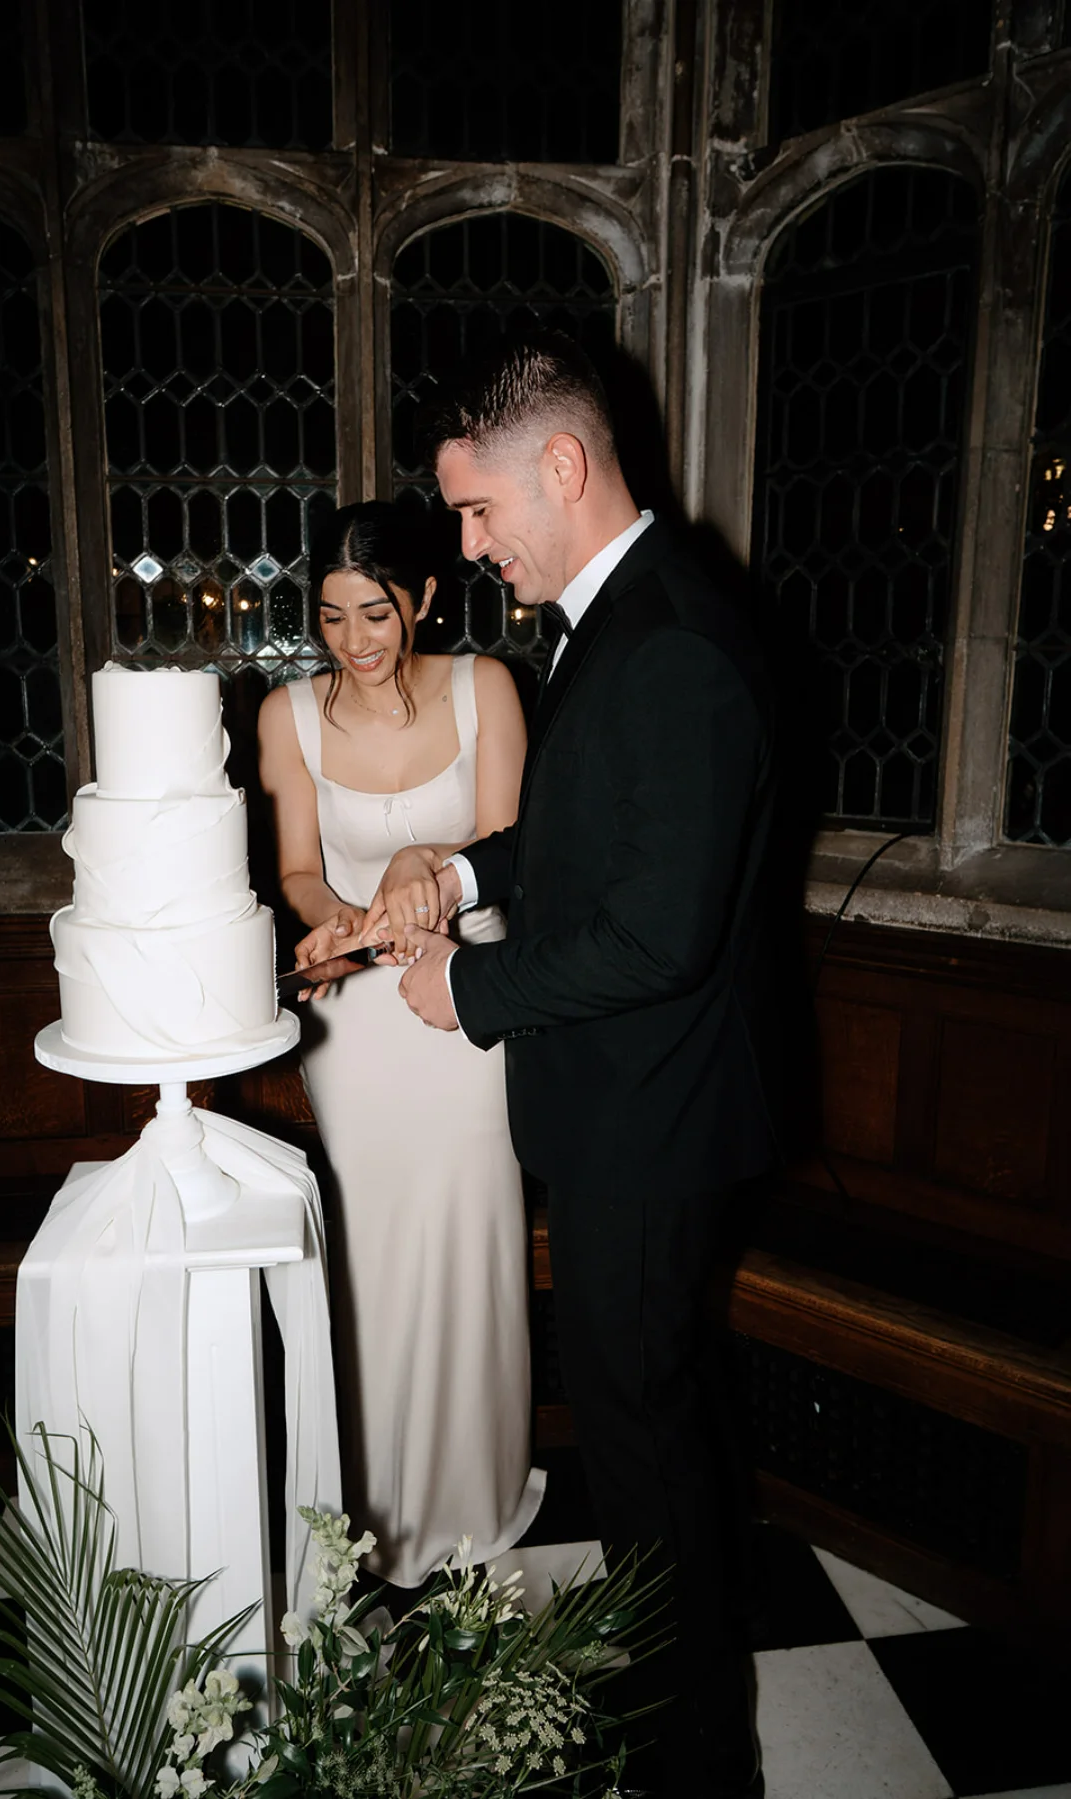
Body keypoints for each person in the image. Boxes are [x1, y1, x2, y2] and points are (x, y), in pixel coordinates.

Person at [364, 334, 778, 1798]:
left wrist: (467, 985)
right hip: (623, 1118)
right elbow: (582, 844)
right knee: (644, 1434)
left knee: (651, 1459)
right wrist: (464, 873)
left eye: (478, 513)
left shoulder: (667, 634)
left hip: (651, 1130)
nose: (469, 547)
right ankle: (680, 1725)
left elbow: (658, 933)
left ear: (564, 463)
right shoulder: (614, 621)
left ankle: (696, 1766)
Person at [257, 500, 544, 1590]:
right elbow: (293, 868)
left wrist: (421, 862)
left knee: (468, 1233)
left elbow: (509, 840)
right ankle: (367, 1501)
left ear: (423, 598)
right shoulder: (289, 713)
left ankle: (470, 1487)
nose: (355, 639)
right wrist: (333, 922)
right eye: (331, 617)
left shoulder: (486, 689)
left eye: (374, 611)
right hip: (355, 1023)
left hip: (467, 991)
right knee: (370, 1251)